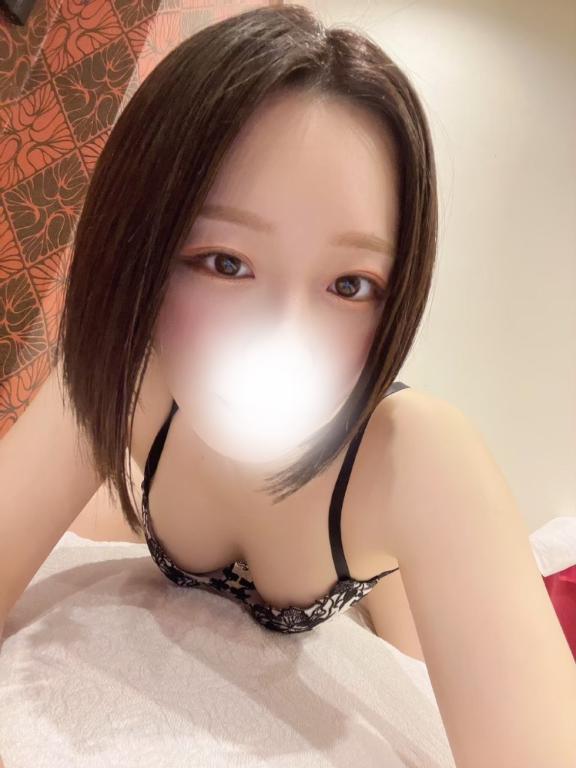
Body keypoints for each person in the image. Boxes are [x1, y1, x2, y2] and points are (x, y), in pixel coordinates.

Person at [2, 6, 575, 766]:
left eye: (350, 283)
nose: (284, 337)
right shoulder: (129, 373)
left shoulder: (421, 458)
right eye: (225, 262)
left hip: (371, 531)